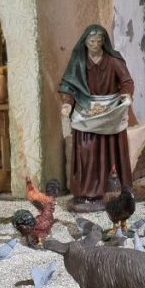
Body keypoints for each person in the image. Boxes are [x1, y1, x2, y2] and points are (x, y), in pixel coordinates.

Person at [59, 25, 135, 212]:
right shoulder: (79, 61)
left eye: (99, 41)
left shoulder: (113, 60)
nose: (95, 44)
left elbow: (126, 81)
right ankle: (87, 192)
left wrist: (126, 94)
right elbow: (68, 85)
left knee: (111, 150)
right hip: (87, 110)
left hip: (110, 111)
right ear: (85, 42)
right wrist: (67, 103)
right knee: (87, 150)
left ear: (104, 42)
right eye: (91, 41)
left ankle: (114, 190)